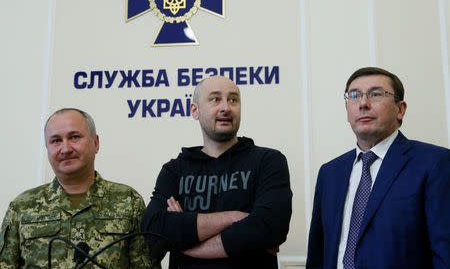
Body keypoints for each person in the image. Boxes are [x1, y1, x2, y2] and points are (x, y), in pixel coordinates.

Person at [141, 75, 292, 269]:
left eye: (233, 99)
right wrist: (236, 217)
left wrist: (186, 242)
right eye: (215, 99)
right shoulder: (174, 170)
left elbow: (270, 228)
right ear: (195, 110)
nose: (226, 108)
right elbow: (153, 232)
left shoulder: (268, 161)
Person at [306, 67, 450, 269]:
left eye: (376, 94)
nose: (363, 104)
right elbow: (317, 254)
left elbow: (445, 252)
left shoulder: (434, 162)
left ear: (400, 109)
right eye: (354, 95)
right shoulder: (330, 172)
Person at [0, 108, 152, 268]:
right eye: (56, 141)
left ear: (96, 143)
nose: (65, 149)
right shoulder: (22, 206)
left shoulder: (129, 201)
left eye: (74, 137)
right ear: (47, 148)